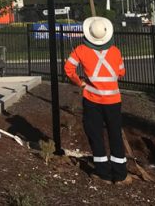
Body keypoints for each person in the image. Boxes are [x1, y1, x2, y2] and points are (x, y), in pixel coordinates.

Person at [64, 16, 130, 184]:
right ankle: (120, 174)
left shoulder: (81, 50)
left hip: (92, 99)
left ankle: (103, 172)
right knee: (115, 135)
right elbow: (121, 72)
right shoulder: (115, 51)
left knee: (95, 135)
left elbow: (68, 68)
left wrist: (80, 83)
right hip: (113, 101)